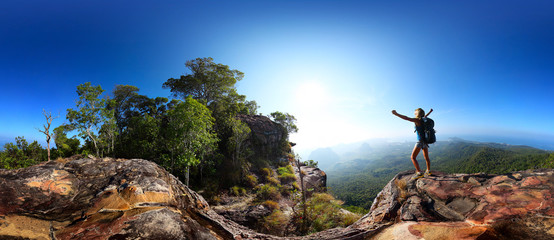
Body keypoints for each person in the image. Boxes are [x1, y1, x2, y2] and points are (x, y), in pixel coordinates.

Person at [392, 108, 433, 179]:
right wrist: (430, 112)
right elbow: (425, 116)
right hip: (425, 142)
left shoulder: (417, 120)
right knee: (426, 157)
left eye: (415, 112)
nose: (414, 113)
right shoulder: (424, 120)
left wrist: (396, 114)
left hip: (420, 141)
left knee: (413, 157)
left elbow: (406, 118)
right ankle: (428, 171)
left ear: (418, 114)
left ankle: (419, 173)